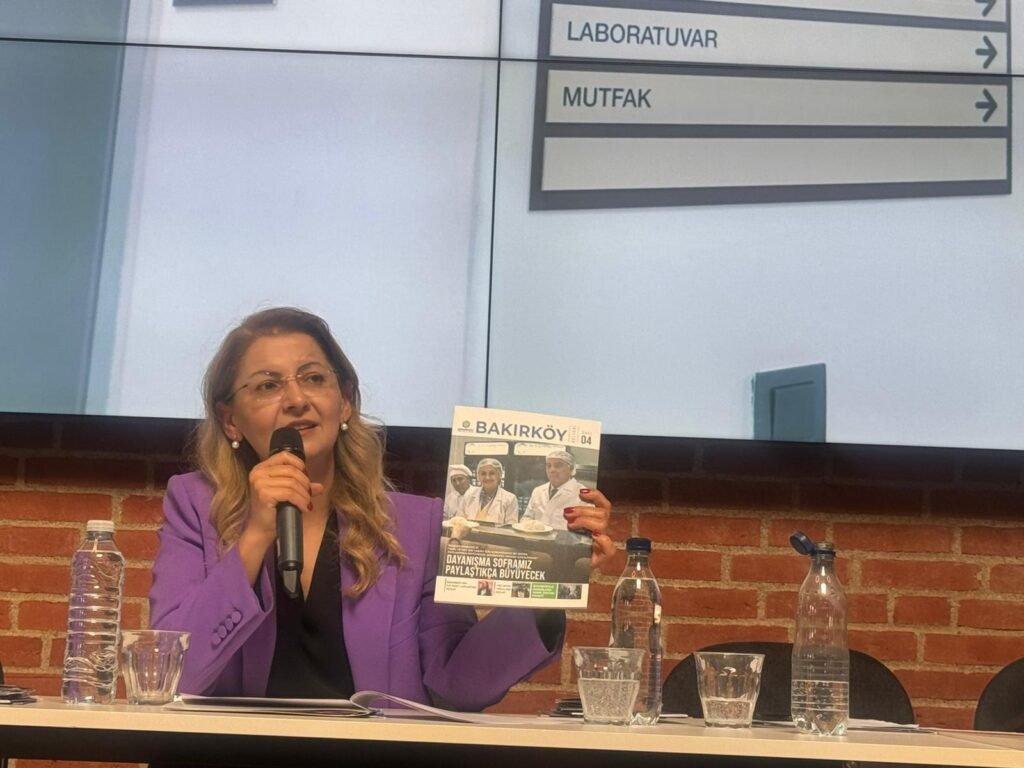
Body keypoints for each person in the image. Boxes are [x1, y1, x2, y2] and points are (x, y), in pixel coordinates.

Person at [149, 307, 614, 712]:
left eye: (314, 378)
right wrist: (255, 536)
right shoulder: (194, 505)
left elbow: (458, 684)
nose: (296, 400)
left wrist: (550, 585)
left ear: (345, 402)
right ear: (231, 419)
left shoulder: (416, 524)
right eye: (268, 385)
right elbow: (171, 676)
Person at [522, 449, 592, 531]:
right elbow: (527, 518)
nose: (552, 470)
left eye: (558, 466)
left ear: (571, 468)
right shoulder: (538, 491)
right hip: (536, 538)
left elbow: (586, 528)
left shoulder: (584, 495)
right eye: (549, 466)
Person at [460, 457, 520, 525]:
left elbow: (510, 526)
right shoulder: (469, 495)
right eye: (483, 473)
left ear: (499, 475)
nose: (487, 477)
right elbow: (460, 520)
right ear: (478, 476)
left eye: (492, 473)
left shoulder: (510, 499)